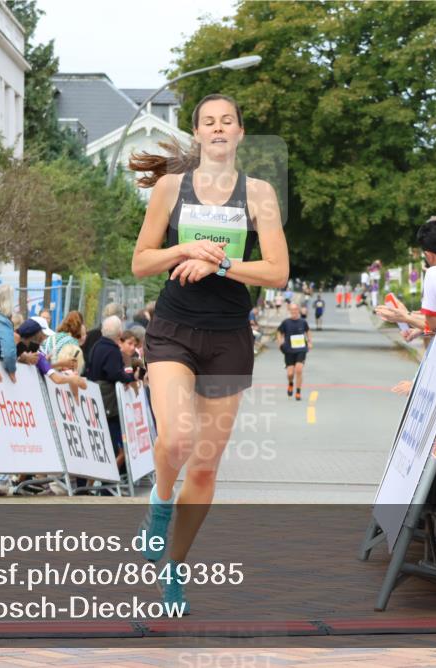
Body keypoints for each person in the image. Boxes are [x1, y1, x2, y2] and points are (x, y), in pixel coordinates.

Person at [129, 93, 289, 613]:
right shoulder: (172, 188)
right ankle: (158, 502)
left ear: (240, 133)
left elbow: (276, 273)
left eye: (227, 122)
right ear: (197, 134)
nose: (218, 129)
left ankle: (174, 569)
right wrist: (185, 249)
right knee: (176, 440)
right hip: (174, 329)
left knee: (205, 466)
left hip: (227, 334)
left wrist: (220, 265)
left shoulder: (260, 194)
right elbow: (141, 262)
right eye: (208, 122)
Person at [375, 218, 436, 338]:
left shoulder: (434, 273)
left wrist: (405, 317)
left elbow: (435, 327)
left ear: (428, 255)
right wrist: (419, 328)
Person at [86, 316, 138, 476]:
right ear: (119, 332)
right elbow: (114, 373)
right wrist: (130, 378)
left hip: (95, 394)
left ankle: (103, 477)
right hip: (108, 399)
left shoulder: (96, 346)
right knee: (115, 439)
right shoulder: (111, 350)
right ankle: (108, 476)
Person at [276, 302, 312, 401]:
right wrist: (280, 342)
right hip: (289, 350)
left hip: (301, 349)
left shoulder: (303, 322)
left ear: (298, 310)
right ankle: (291, 384)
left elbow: (308, 331)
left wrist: (309, 342)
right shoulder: (286, 322)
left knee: (299, 370)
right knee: (290, 374)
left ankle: (298, 392)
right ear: (290, 311)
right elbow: (279, 332)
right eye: (292, 310)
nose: (294, 312)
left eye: (295, 310)